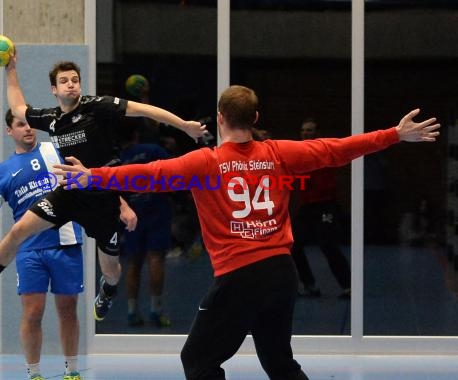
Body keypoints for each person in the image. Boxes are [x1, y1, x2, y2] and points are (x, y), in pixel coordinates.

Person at [53, 85, 440, 380]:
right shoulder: (278, 153)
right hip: (280, 273)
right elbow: (334, 150)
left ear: (220, 118)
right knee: (277, 360)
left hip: (240, 276)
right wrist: (393, 134)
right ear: (255, 117)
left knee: (197, 360)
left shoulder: (204, 162)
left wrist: (91, 176)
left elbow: (149, 175)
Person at [0, 53, 206, 323]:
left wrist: (183, 125)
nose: (71, 84)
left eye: (75, 80)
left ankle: (107, 291)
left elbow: (144, 110)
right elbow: (17, 107)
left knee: (110, 269)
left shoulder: (98, 107)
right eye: (64, 81)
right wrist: (10, 70)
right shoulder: (50, 119)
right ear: (54, 90)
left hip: (103, 196)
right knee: (18, 230)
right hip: (70, 191)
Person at [0, 110, 85, 380]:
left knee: (68, 308)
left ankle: (72, 371)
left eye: (29, 124)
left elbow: (89, 175)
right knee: (33, 311)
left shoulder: (54, 149)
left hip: (65, 240)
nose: (27, 129)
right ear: (9, 131)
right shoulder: (4, 170)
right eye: (20, 125)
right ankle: (34, 373)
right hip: (28, 248)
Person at [117, 122, 173, 328]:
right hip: (157, 211)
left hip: (132, 215)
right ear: (135, 135)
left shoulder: (119, 161)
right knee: (156, 259)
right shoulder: (153, 150)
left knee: (134, 262)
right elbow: (174, 171)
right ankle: (156, 311)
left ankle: (132, 312)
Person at [290, 118, 351, 298]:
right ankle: (310, 285)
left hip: (326, 205)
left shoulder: (324, 150)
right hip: (307, 207)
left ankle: (348, 286)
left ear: (317, 133)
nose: (306, 133)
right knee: (292, 244)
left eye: (310, 130)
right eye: (303, 130)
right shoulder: (297, 152)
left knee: (328, 245)